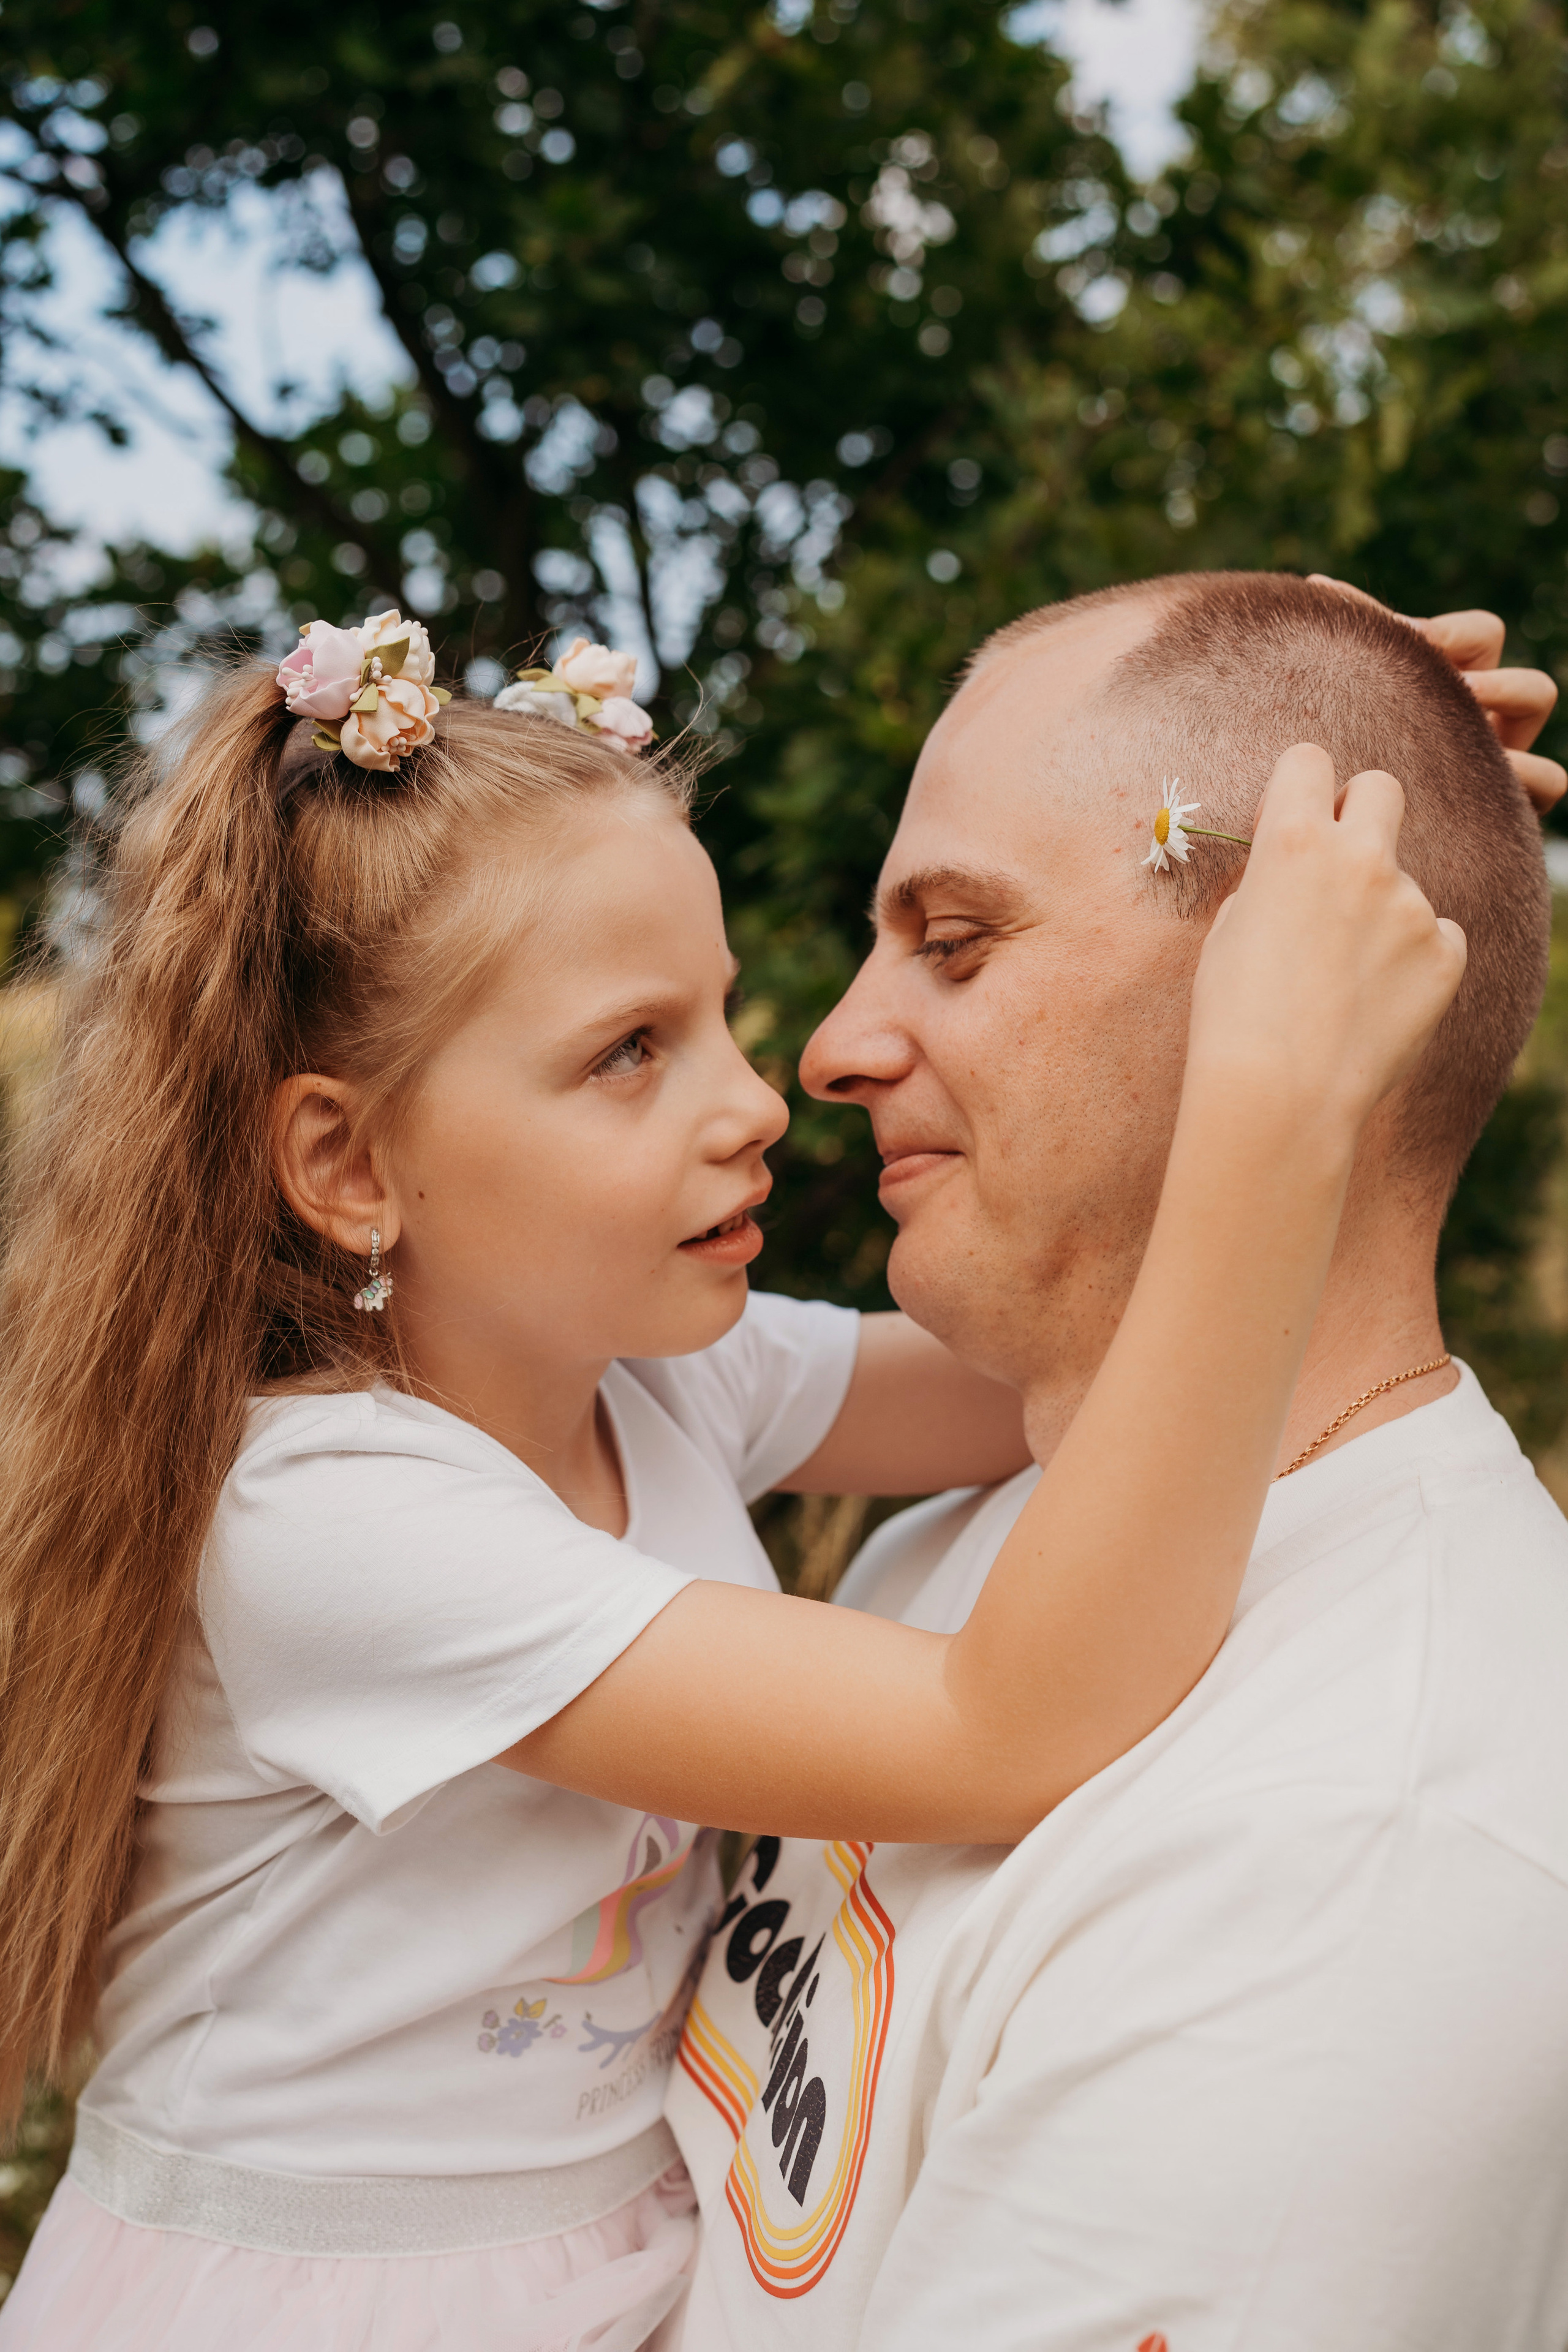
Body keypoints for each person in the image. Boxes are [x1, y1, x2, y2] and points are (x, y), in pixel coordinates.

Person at [0, 592, 1461, 2352]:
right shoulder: (327, 1522)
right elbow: (1005, 1728)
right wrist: (1270, 1106)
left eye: (720, 1018)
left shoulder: (654, 1374)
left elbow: (1072, 1366)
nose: (760, 1098)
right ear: (350, 1165)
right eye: (631, 1052)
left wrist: (1351, 743)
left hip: (590, 2263)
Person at [666, 572, 1568, 2352]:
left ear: (1284, 966)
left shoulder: (1362, 1869)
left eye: (954, 938)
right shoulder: (991, 1513)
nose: (829, 1052)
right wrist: (1325, 699)